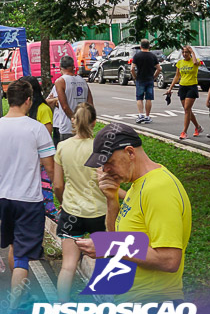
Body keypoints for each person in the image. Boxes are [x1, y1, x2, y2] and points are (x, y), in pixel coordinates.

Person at [75, 123, 191, 302]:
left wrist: (109, 245)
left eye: (109, 163)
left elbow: (169, 259)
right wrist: (112, 199)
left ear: (130, 152)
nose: (105, 170)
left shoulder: (159, 188)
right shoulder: (138, 185)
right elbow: (116, 236)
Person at [0, 79, 56, 305]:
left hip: (3, 199)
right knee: (21, 254)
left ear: (9, 100)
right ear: (28, 101)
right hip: (29, 199)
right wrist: (60, 191)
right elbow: (50, 166)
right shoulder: (36, 128)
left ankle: (19, 288)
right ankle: (16, 301)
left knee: (14, 245)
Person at [52, 103, 106, 301]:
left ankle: (61, 308)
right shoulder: (99, 148)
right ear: (94, 122)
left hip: (71, 211)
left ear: (73, 120)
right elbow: (105, 183)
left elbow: (58, 185)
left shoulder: (62, 147)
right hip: (99, 212)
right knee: (104, 263)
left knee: (68, 265)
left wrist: (63, 202)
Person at [52, 55, 93, 143]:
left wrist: (75, 120)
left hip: (68, 126)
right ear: (73, 67)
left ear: (60, 67)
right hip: (84, 126)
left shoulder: (60, 81)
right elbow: (90, 104)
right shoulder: (83, 81)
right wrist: (83, 121)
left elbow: (64, 106)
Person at [165, 45, 203, 139]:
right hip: (182, 87)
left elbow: (195, 63)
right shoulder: (180, 62)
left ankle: (184, 132)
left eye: (186, 52)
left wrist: (193, 52)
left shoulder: (196, 61)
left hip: (192, 87)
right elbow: (177, 76)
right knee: (188, 110)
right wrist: (170, 88)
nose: (184, 54)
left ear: (190, 53)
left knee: (187, 109)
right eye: (183, 52)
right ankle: (198, 127)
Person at [130, 39, 161, 125]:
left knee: (139, 98)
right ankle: (147, 116)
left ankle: (140, 115)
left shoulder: (137, 56)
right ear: (149, 47)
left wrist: (135, 77)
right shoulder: (153, 56)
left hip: (140, 79)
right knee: (149, 98)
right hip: (149, 79)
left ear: (141, 46)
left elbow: (132, 68)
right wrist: (154, 76)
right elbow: (159, 68)